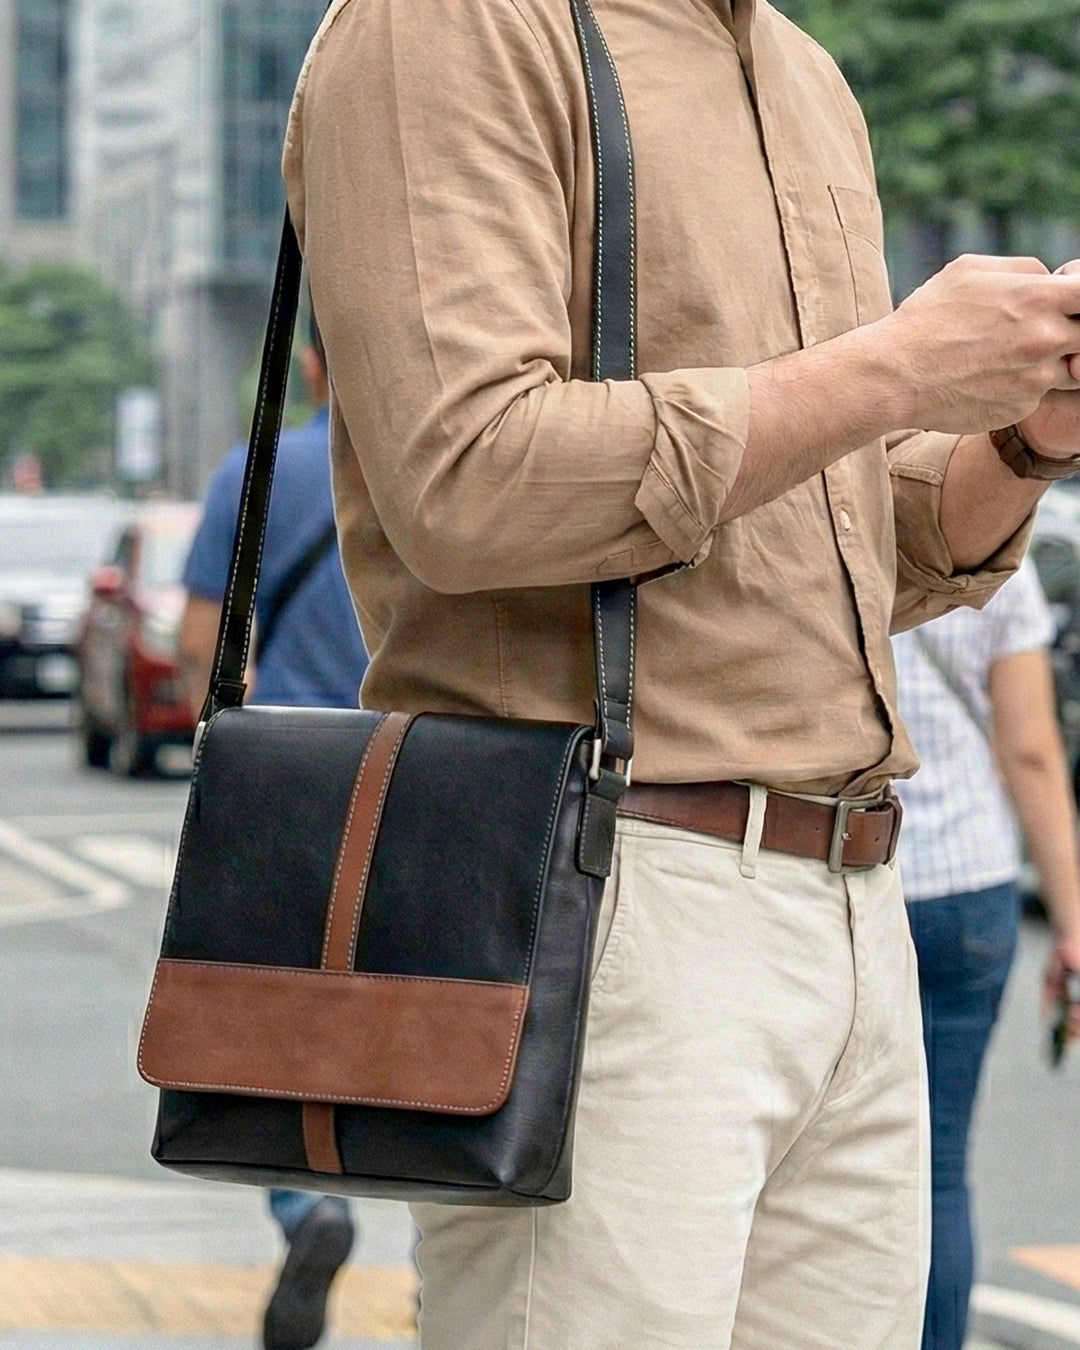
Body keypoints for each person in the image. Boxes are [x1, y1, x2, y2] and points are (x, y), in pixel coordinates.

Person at [281, 1, 1080, 1345]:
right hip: (614, 890)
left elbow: (846, 533)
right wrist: (889, 368)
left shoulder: (805, 74)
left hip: (853, 903)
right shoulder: (454, 25)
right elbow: (468, 478)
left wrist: (1021, 441)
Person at [178, 327, 368, 1350]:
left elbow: (197, 649)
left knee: (278, 1021)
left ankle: (306, 1205)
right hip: (440, 778)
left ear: (312, 364)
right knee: (447, 1015)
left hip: (290, 781)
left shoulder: (259, 470)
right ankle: (445, 1254)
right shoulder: (452, 468)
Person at [893, 557, 1080, 1350]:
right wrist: (1071, 930)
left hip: (854, 871)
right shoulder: (1006, 564)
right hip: (968, 885)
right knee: (935, 1171)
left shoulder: (853, 523)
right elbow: (1031, 751)